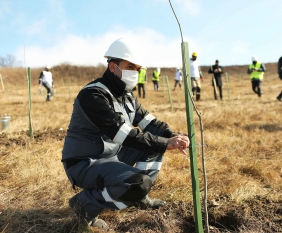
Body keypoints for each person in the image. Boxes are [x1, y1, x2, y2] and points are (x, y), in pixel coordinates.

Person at [61, 38, 190, 231]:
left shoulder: (127, 97)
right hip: (84, 162)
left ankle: (138, 197)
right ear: (112, 67)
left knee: (154, 148)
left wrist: (174, 136)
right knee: (139, 181)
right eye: (129, 66)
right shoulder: (93, 95)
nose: (134, 73)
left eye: (137, 68)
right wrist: (165, 143)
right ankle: (84, 206)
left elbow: (150, 123)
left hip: (111, 155)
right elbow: (120, 134)